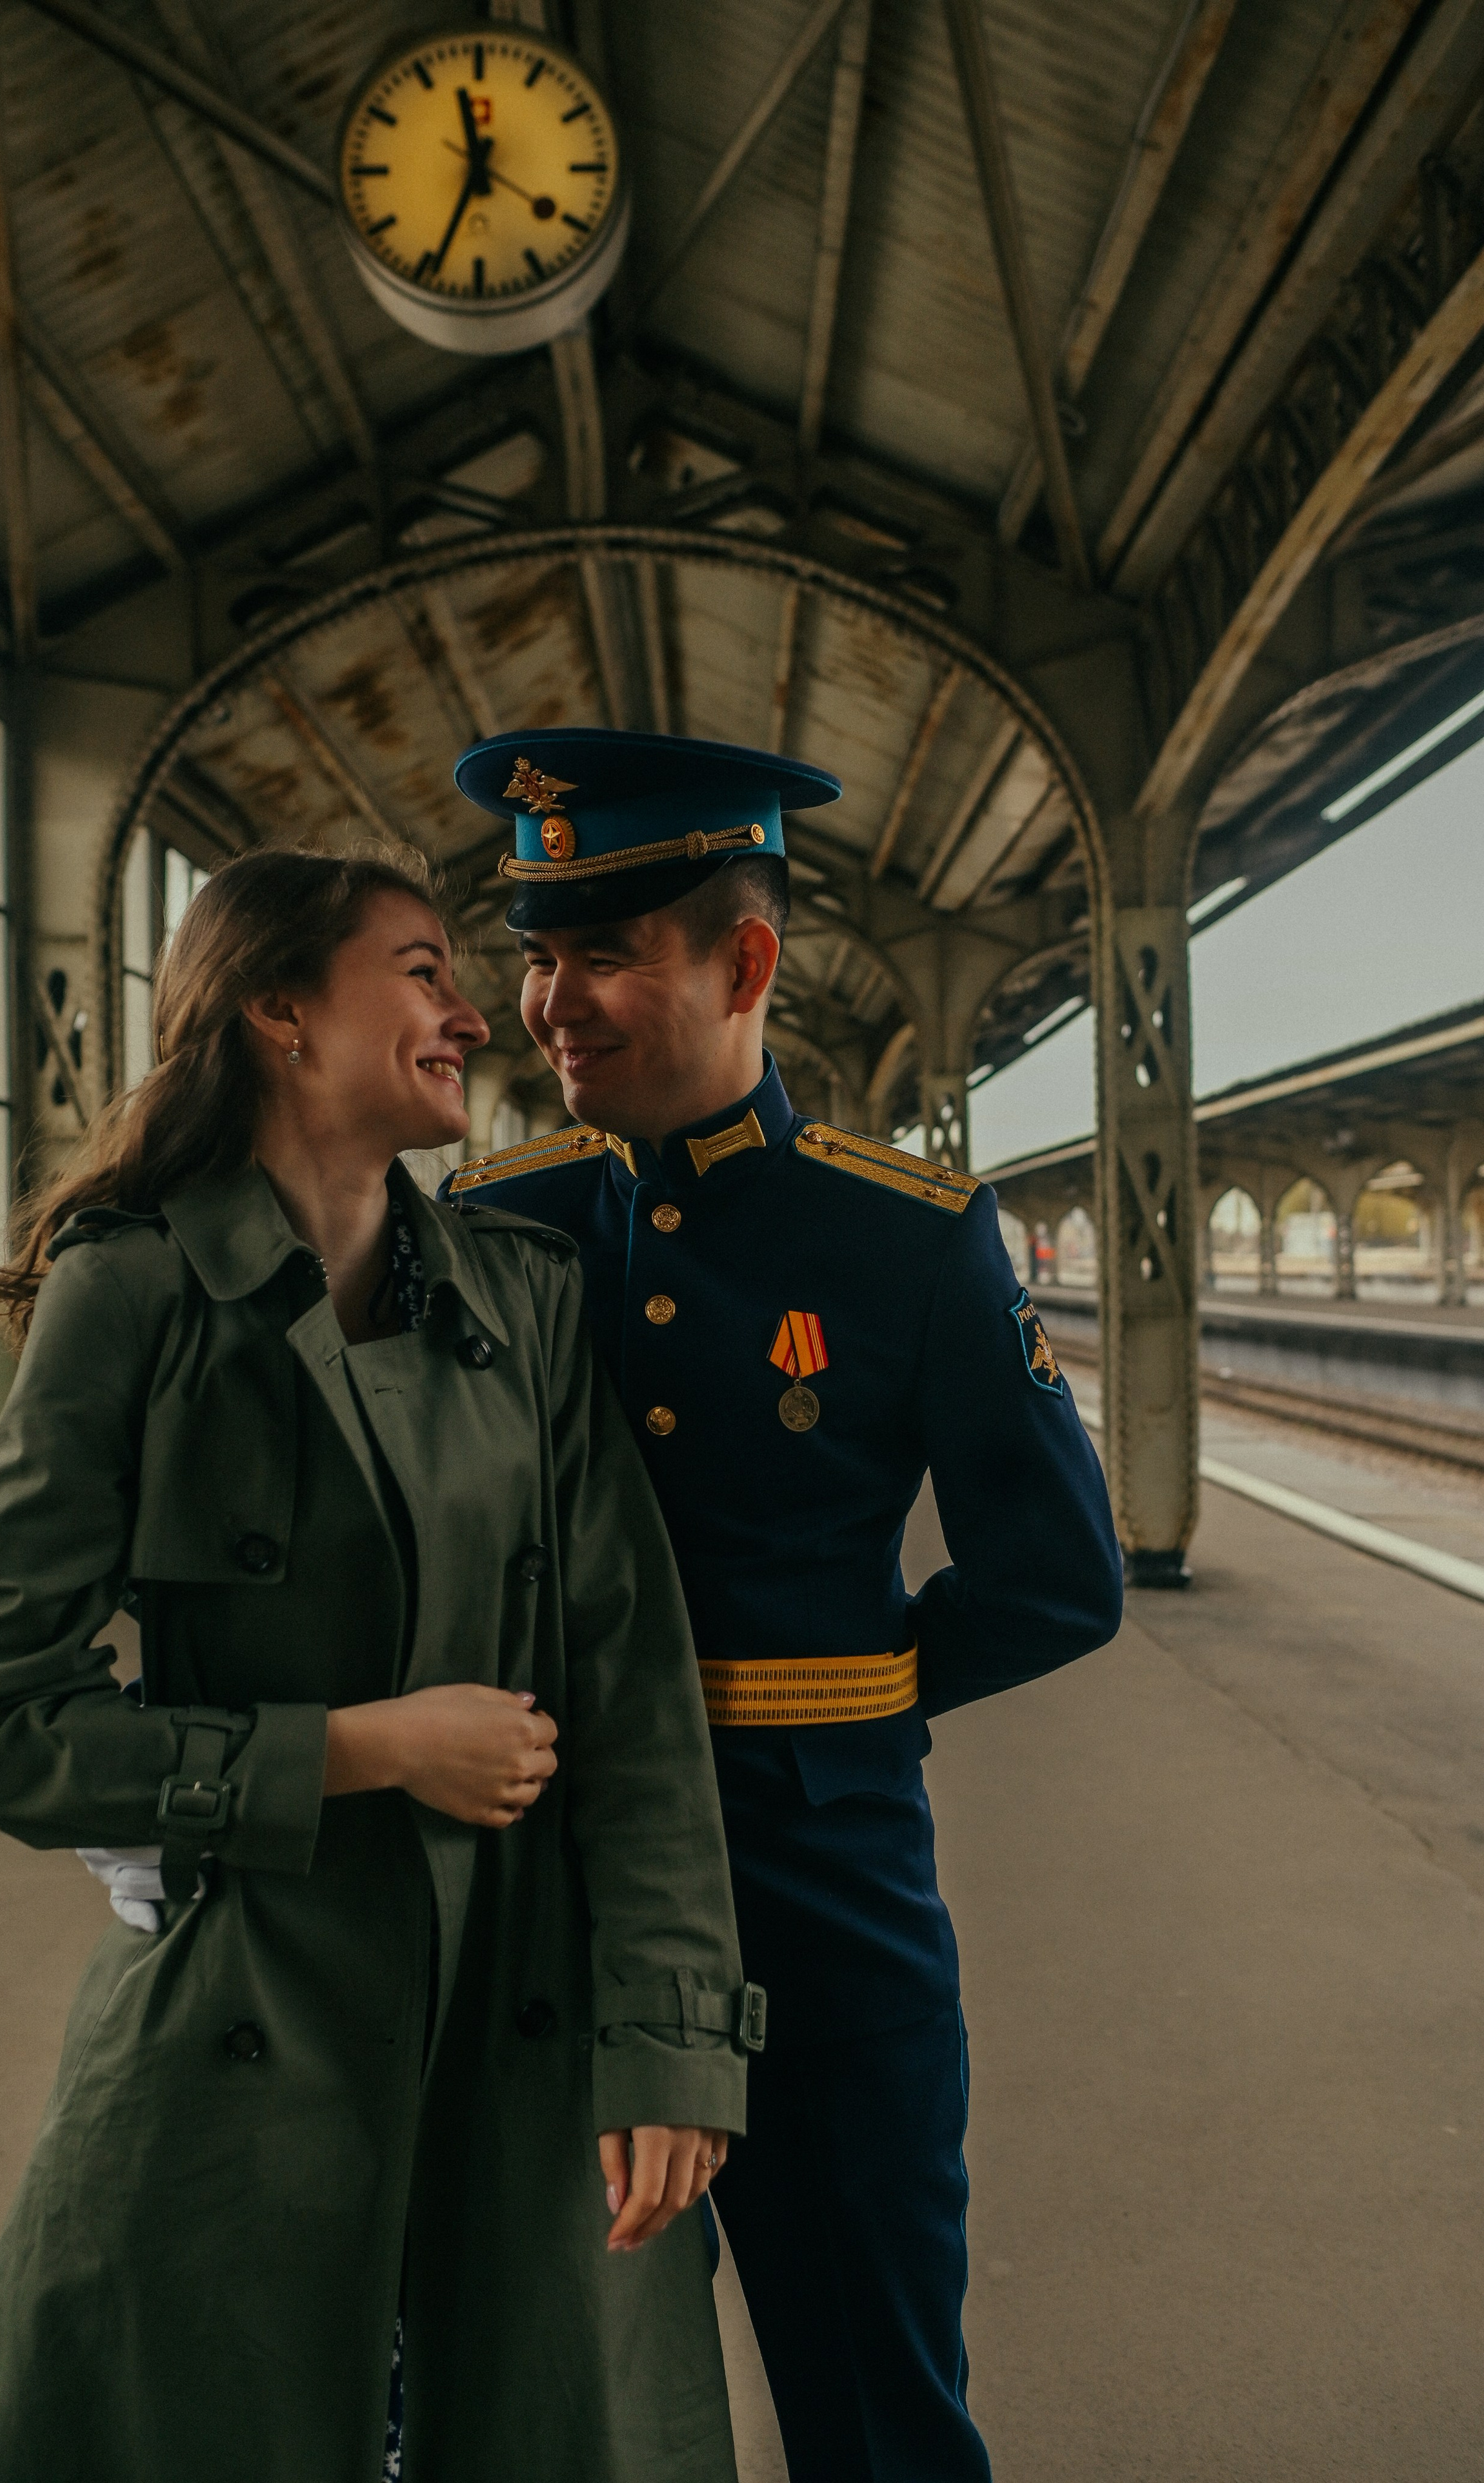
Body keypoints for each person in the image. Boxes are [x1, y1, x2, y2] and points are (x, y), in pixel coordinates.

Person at [0, 849, 759, 2483]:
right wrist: (365, 1747)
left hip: (518, 2015)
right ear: (279, 1010)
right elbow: (6, 1718)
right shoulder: (134, 1288)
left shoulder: (524, 1304)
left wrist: (668, 2037)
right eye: (424, 971)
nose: (472, 1014)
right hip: (246, 2011)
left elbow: (638, 1700)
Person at [439, 731, 1126, 2483]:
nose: (550, 1005)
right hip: (544, 1905)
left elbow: (1060, 1578)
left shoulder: (908, 1239)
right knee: (531, 2415)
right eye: (533, 955)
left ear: (743, 962)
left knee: (878, 2415)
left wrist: (853, 1693)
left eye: (602, 955)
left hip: (824, 1912)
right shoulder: (495, 1229)